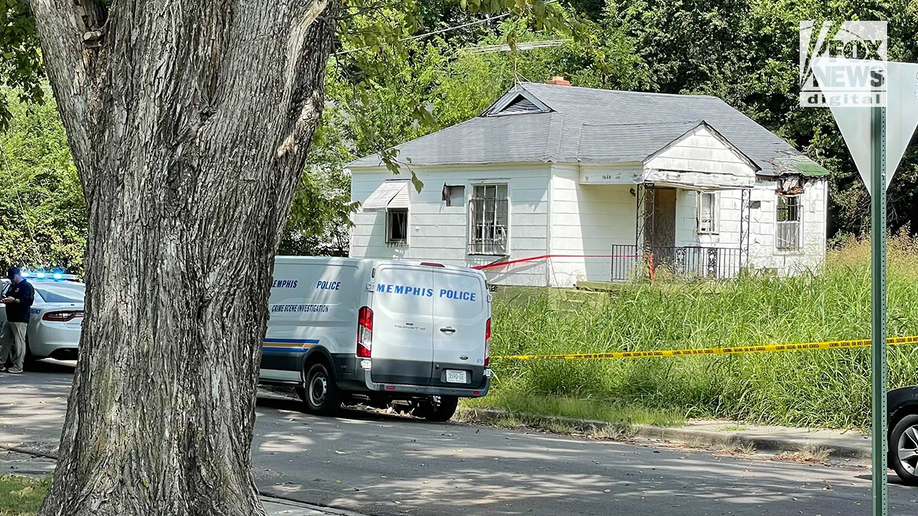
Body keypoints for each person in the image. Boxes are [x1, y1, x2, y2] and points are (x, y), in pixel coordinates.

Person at [1, 267, 34, 374]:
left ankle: (18, 365)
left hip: (20, 319)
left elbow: (27, 302)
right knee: (4, 341)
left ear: (17, 275)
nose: (11, 279)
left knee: (19, 342)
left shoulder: (26, 286)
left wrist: (14, 300)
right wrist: (5, 299)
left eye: (13, 277)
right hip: (10, 318)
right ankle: (1, 363)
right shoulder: (11, 286)